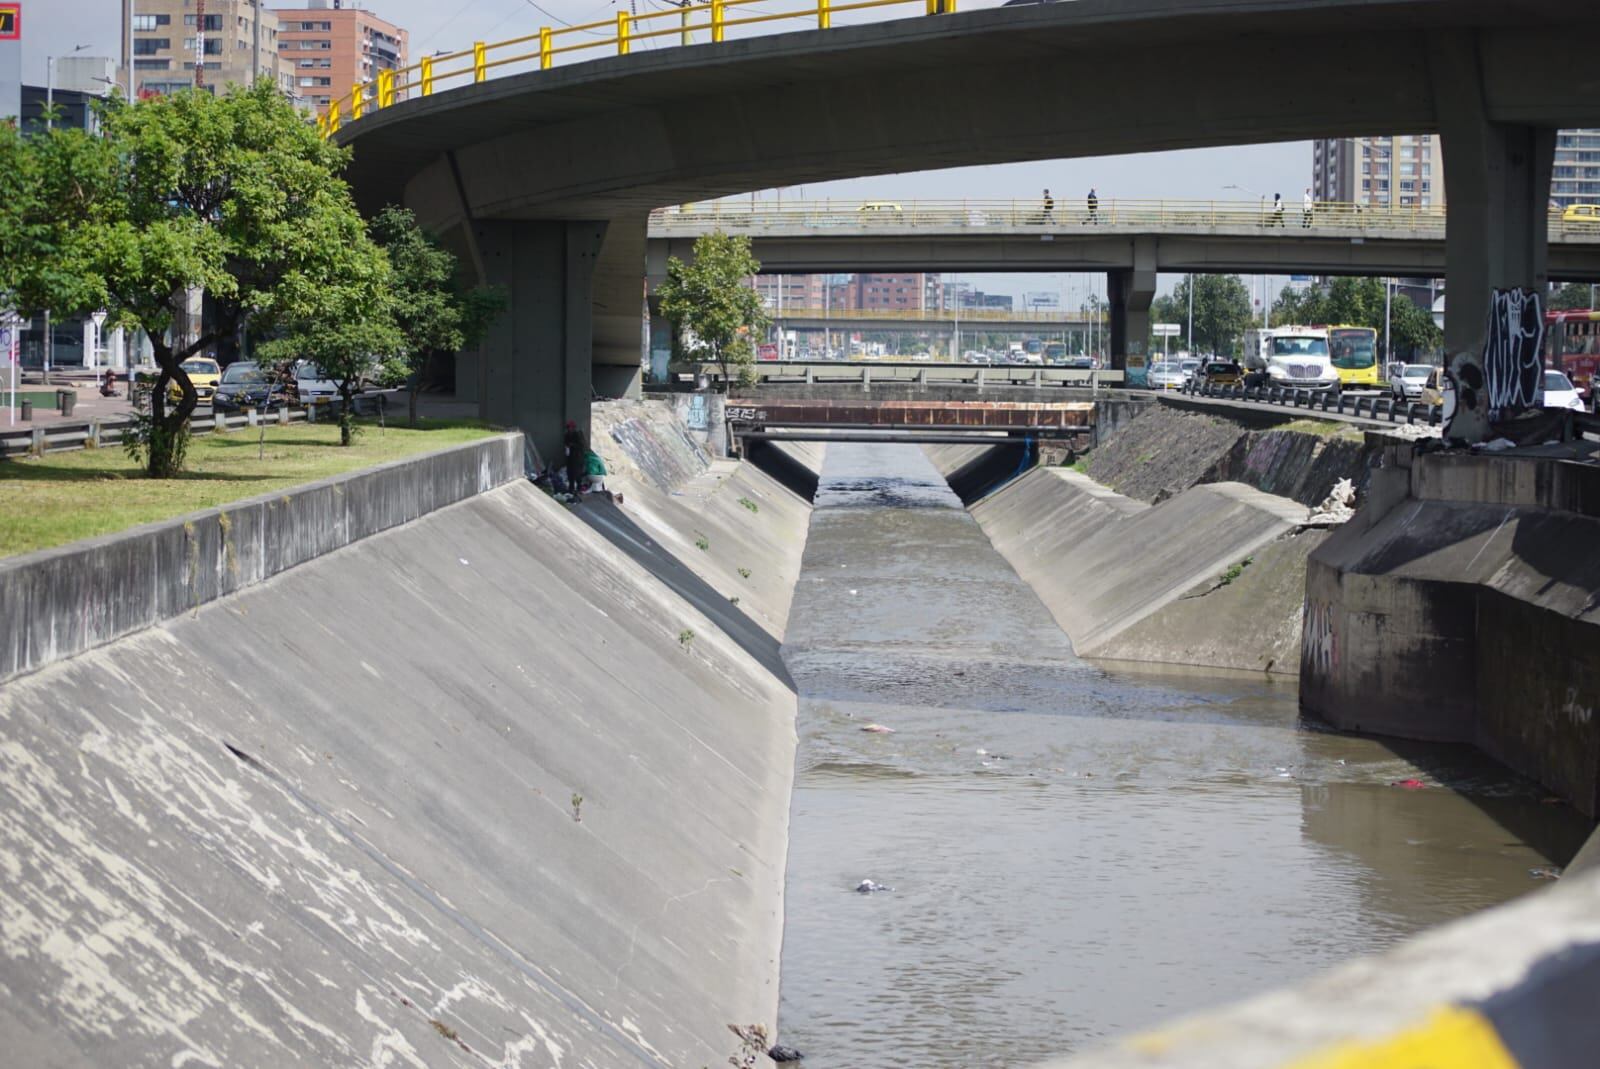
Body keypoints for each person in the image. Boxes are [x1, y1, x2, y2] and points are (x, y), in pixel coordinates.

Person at [563, 420, 586, 499]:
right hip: (570, 457)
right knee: (570, 472)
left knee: (577, 473)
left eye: (570, 428)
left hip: (577, 457)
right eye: (568, 428)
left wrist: (572, 445)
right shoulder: (567, 435)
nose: (569, 429)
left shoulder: (577, 435)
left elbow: (582, 445)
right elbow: (565, 443)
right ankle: (571, 488)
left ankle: (579, 488)